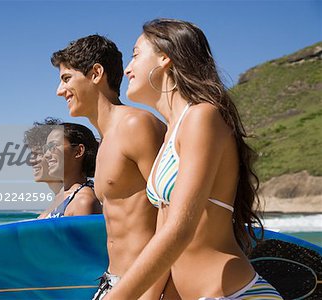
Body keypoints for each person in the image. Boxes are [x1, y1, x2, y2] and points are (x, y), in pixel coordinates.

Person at [103, 19, 283, 299]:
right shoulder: (170, 136)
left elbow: (180, 230)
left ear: (165, 57)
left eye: (136, 54)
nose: (127, 68)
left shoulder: (202, 116)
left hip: (235, 294)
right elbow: (164, 240)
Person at [51, 35, 168, 299]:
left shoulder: (136, 126)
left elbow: (173, 217)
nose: (59, 90)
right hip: (113, 283)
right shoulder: (105, 142)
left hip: (146, 286)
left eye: (66, 78)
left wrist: (151, 294)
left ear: (96, 73)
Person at [40, 122, 102, 218]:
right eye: (46, 148)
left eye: (53, 146)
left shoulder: (83, 201)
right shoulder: (64, 195)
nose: (46, 155)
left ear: (78, 151)